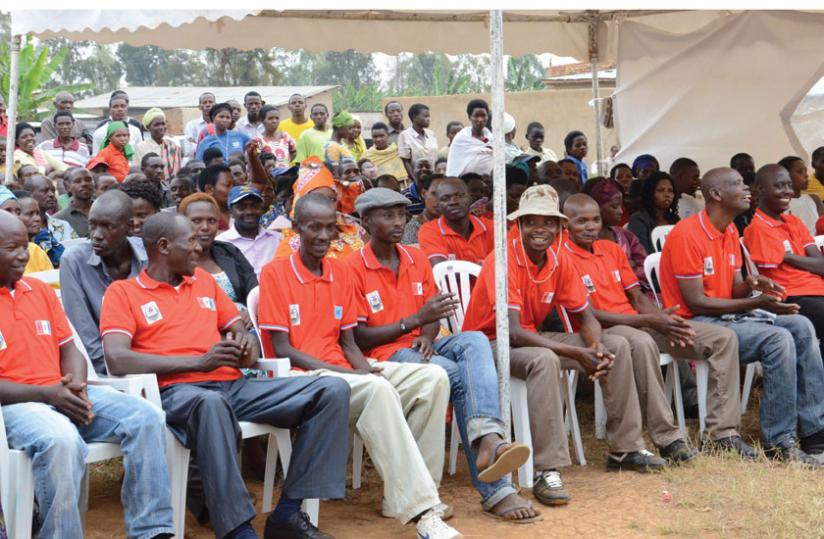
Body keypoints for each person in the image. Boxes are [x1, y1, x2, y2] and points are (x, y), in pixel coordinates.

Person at [100, 212, 350, 539]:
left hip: (234, 384)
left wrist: (246, 344)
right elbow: (116, 358)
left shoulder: (203, 282)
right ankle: (237, 529)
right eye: (189, 240)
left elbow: (242, 335)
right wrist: (198, 364)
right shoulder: (124, 293)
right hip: (178, 394)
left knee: (331, 390)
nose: (198, 246)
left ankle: (288, 512)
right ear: (162, 246)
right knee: (211, 403)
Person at [258, 192, 461, 539]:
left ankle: (416, 494)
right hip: (300, 379)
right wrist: (349, 374)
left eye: (330, 228)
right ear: (295, 230)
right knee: (377, 389)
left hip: (345, 371)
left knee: (434, 377)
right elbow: (284, 349)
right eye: (313, 228)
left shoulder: (339, 271)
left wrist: (362, 368)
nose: (323, 236)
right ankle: (423, 513)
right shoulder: (275, 273)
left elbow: (349, 341)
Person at [463, 184, 675, 487]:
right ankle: (547, 469)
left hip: (529, 337)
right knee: (545, 359)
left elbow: (585, 316)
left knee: (616, 343)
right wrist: (578, 353)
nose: (540, 229)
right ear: (519, 224)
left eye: (548, 222)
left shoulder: (557, 258)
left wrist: (595, 348)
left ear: (559, 226)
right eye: (531, 221)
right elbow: (514, 332)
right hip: (490, 343)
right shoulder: (504, 258)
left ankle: (625, 449)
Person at [349, 188, 539, 522]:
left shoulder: (415, 257)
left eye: (401, 214)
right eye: (387, 215)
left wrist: (424, 333)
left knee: (475, 340)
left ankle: (487, 439)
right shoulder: (352, 267)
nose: (398, 222)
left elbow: (434, 312)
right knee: (453, 373)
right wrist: (413, 322)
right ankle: (495, 485)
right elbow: (357, 337)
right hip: (384, 354)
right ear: (365, 221)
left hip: (422, 343)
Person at [0, 210, 175, 538]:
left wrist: (76, 386)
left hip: (63, 392)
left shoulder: (37, 291)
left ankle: (151, 530)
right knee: (62, 440)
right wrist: (48, 394)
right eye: (12, 248)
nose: (24, 255)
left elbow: (70, 350)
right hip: (15, 406)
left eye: (25, 246)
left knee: (147, 416)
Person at [660, 167, 824, 464]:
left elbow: (734, 289)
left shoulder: (730, 230)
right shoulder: (687, 234)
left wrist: (750, 284)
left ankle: (814, 431)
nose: (747, 188)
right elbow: (697, 302)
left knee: (800, 325)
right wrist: (754, 303)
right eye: (738, 184)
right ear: (716, 194)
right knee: (778, 338)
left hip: (725, 318)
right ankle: (780, 441)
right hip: (693, 323)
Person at [563, 194, 745, 455]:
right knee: (641, 340)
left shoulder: (611, 249)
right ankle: (668, 438)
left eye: (595, 220)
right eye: (581, 221)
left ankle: (722, 434)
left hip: (638, 322)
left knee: (723, 338)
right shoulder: (561, 257)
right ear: (565, 224)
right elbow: (589, 315)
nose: (590, 226)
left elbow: (637, 297)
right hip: (603, 330)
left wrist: (661, 320)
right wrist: (647, 321)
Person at [59, 190, 146, 374]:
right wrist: (113, 369)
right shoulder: (75, 260)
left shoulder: (147, 254)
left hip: (153, 357)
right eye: (92, 225)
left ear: (129, 227)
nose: (96, 235)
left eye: (107, 226)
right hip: (108, 366)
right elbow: (84, 333)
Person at [744, 164, 824, 359]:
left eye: (789, 185)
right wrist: (805, 260)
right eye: (780, 186)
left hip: (816, 290)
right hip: (791, 297)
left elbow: (821, 265)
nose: (788, 191)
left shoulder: (794, 222)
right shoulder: (757, 228)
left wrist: (787, 257)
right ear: (760, 190)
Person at [181, 193, 258, 317]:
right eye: (196, 221)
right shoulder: (174, 261)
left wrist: (251, 312)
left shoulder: (229, 251)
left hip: (244, 324)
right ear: (182, 222)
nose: (205, 227)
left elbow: (254, 290)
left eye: (212, 221)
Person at [274, 157, 367, 260]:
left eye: (332, 199)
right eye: (317, 199)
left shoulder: (353, 228)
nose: (325, 205)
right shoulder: (290, 245)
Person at [587, 178, 651, 291]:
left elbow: (644, 264)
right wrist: (627, 265)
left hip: (635, 291)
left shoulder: (626, 235)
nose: (621, 211)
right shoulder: (586, 239)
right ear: (596, 206)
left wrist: (620, 271)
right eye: (614, 206)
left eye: (621, 206)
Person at [418, 177, 494, 266]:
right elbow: (443, 270)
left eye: (460, 196)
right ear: (438, 204)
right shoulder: (430, 231)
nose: (453, 202)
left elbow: (505, 264)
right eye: (445, 198)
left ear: (470, 198)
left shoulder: (490, 227)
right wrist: (485, 266)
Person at [215, 185, 280, 277]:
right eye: (241, 207)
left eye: (254, 206)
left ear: (261, 209)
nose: (249, 211)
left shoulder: (278, 239)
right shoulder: (221, 244)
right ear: (231, 212)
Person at [0, 188, 54, 273]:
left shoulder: (34, 250)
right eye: (8, 211)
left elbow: (52, 284)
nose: (15, 217)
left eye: (18, 212)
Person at [628, 171, 679, 254]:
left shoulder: (675, 219)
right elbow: (641, 253)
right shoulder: (639, 219)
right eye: (661, 190)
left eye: (670, 191)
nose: (667, 195)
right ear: (650, 193)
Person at [23, 174, 77, 242]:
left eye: (53, 191)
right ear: (29, 194)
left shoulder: (63, 226)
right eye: (44, 191)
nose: (51, 194)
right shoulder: (21, 229)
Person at [446, 100, 493, 177]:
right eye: (476, 116)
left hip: (488, 182)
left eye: (483, 116)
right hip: (466, 183)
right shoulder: (461, 139)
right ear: (470, 117)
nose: (480, 119)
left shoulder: (490, 138)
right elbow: (454, 166)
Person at [17, 191, 64, 267]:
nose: (37, 219)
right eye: (30, 214)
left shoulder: (47, 240)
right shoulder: (13, 252)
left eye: (37, 213)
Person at [133, 108, 182, 181]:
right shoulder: (141, 147)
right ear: (148, 128)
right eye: (156, 125)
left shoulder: (173, 146)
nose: (161, 127)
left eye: (163, 124)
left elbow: (178, 171)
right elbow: (139, 171)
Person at [779, 155, 823, 235]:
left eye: (805, 171)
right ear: (786, 176)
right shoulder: (781, 205)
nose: (806, 175)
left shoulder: (814, 199)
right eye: (800, 172)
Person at [398, 103, 439, 179]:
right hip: (418, 178)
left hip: (433, 177)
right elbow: (405, 161)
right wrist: (415, 180)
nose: (428, 119)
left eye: (429, 116)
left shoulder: (431, 134)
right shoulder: (405, 135)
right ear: (414, 117)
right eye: (425, 116)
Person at [402, 173, 445, 245]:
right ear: (423, 193)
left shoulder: (456, 224)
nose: (439, 199)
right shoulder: (412, 230)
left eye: (445, 194)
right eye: (434, 193)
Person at [54, 168, 95, 237]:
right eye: (77, 181)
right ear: (67, 187)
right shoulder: (59, 219)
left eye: (88, 180)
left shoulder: (105, 211)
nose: (84, 184)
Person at [255, 105, 296, 169]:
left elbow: (294, 152)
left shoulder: (286, 137)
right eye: (270, 118)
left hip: (286, 176)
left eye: (277, 118)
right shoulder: (258, 141)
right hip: (269, 177)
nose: (274, 121)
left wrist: (285, 162)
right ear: (262, 120)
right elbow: (257, 161)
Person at [197, 164, 234, 231]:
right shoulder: (200, 216)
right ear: (209, 189)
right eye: (228, 185)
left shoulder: (240, 211)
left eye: (234, 185)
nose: (233, 190)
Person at [184, 92, 215, 157]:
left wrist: (198, 144)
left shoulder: (220, 125)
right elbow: (189, 149)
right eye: (204, 102)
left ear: (215, 105)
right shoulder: (191, 125)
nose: (208, 105)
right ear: (199, 107)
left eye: (210, 102)